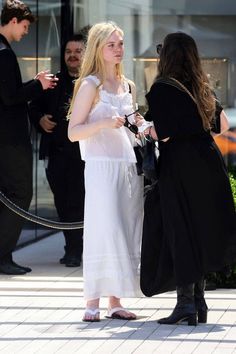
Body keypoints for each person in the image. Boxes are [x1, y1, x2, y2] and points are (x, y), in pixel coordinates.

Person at [140, 32, 236, 326]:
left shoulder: (162, 89)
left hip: (179, 168)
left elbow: (163, 133)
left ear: (166, 56)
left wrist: (143, 128)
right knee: (198, 230)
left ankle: (186, 305)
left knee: (181, 232)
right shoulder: (202, 86)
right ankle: (198, 303)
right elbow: (223, 125)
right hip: (207, 164)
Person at [68, 22, 144, 322]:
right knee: (103, 230)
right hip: (101, 168)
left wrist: (139, 123)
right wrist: (102, 123)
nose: (118, 49)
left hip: (128, 166)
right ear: (98, 48)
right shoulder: (89, 85)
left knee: (125, 229)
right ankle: (92, 301)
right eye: (112, 44)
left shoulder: (127, 85)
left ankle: (115, 301)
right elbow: (73, 132)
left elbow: (132, 124)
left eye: (121, 43)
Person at [0, 0, 57, 275]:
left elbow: (7, 93)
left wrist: (33, 83)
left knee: (11, 195)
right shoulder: (4, 54)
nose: (24, 32)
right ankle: (2, 254)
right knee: (20, 193)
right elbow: (10, 97)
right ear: (12, 21)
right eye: (23, 26)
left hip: (6, 139)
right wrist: (39, 86)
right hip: (9, 141)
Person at [29, 34, 86, 267]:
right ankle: (71, 248)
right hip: (58, 154)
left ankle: (80, 249)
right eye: (68, 51)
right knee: (63, 203)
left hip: (86, 156)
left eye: (77, 51)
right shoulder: (52, 81)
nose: (72, 55)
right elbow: (32, 107)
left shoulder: (94, 82)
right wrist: (40, 119)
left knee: (82, 203)